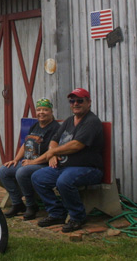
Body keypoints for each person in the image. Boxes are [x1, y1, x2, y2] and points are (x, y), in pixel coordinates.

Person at [31, 87, 104, 233]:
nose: (75, 104)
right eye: (72, 101)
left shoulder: (91, 121)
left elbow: (76, 145)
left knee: (64, 181)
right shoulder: (69, 120)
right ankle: (56, 213)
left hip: (88, 168)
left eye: (80, 101)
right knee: (38, 177)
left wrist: (52, 152)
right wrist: (52, 154)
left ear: (88, 103)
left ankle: (77, 217)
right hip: (64, 166)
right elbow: (54, 139)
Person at [0, 98, 61, 220]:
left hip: (44, 163)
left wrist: (32, 162)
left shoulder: (55, 128)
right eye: (39, 110)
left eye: (45, 110)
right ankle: (17, 203)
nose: (41, 112)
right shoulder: (35, 126)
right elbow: (25, 144)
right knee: (3, 170)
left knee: (22, 172)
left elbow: (51, 152)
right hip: (29, 162)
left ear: (51, 111)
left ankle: (31, 205)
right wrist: (16, 159)